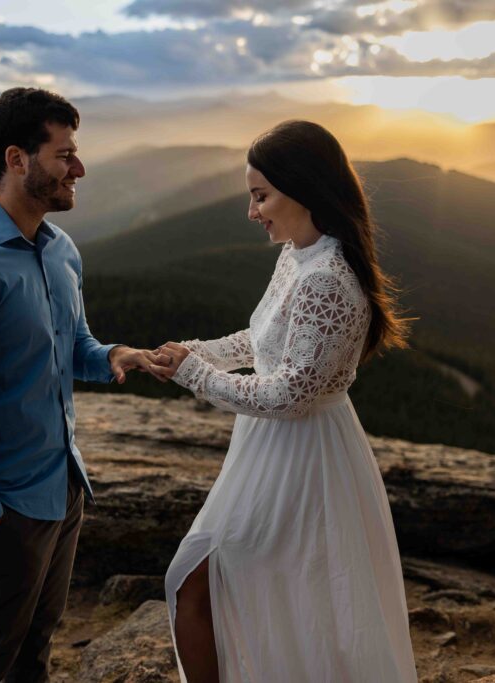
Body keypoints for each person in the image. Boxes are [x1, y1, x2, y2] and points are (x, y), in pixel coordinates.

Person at [149, 120, 419, 682]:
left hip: (301, 454)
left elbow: (289, 393)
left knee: (205, 578)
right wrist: (191, 353)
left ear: (305, 188)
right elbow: (262, 339)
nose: (253, 212)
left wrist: (195, 374)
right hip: (272, 446)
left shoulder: (327, 277)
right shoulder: (298, 256)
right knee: (266, 588)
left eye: (260, 196)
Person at [0, 87, 168, 683]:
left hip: (60, 487)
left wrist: (115, 355)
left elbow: (70, 347)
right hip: (2, 503)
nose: (78, 168)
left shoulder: (60, 251)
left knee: (34, 646)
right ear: (17, 160)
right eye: (65, 154)